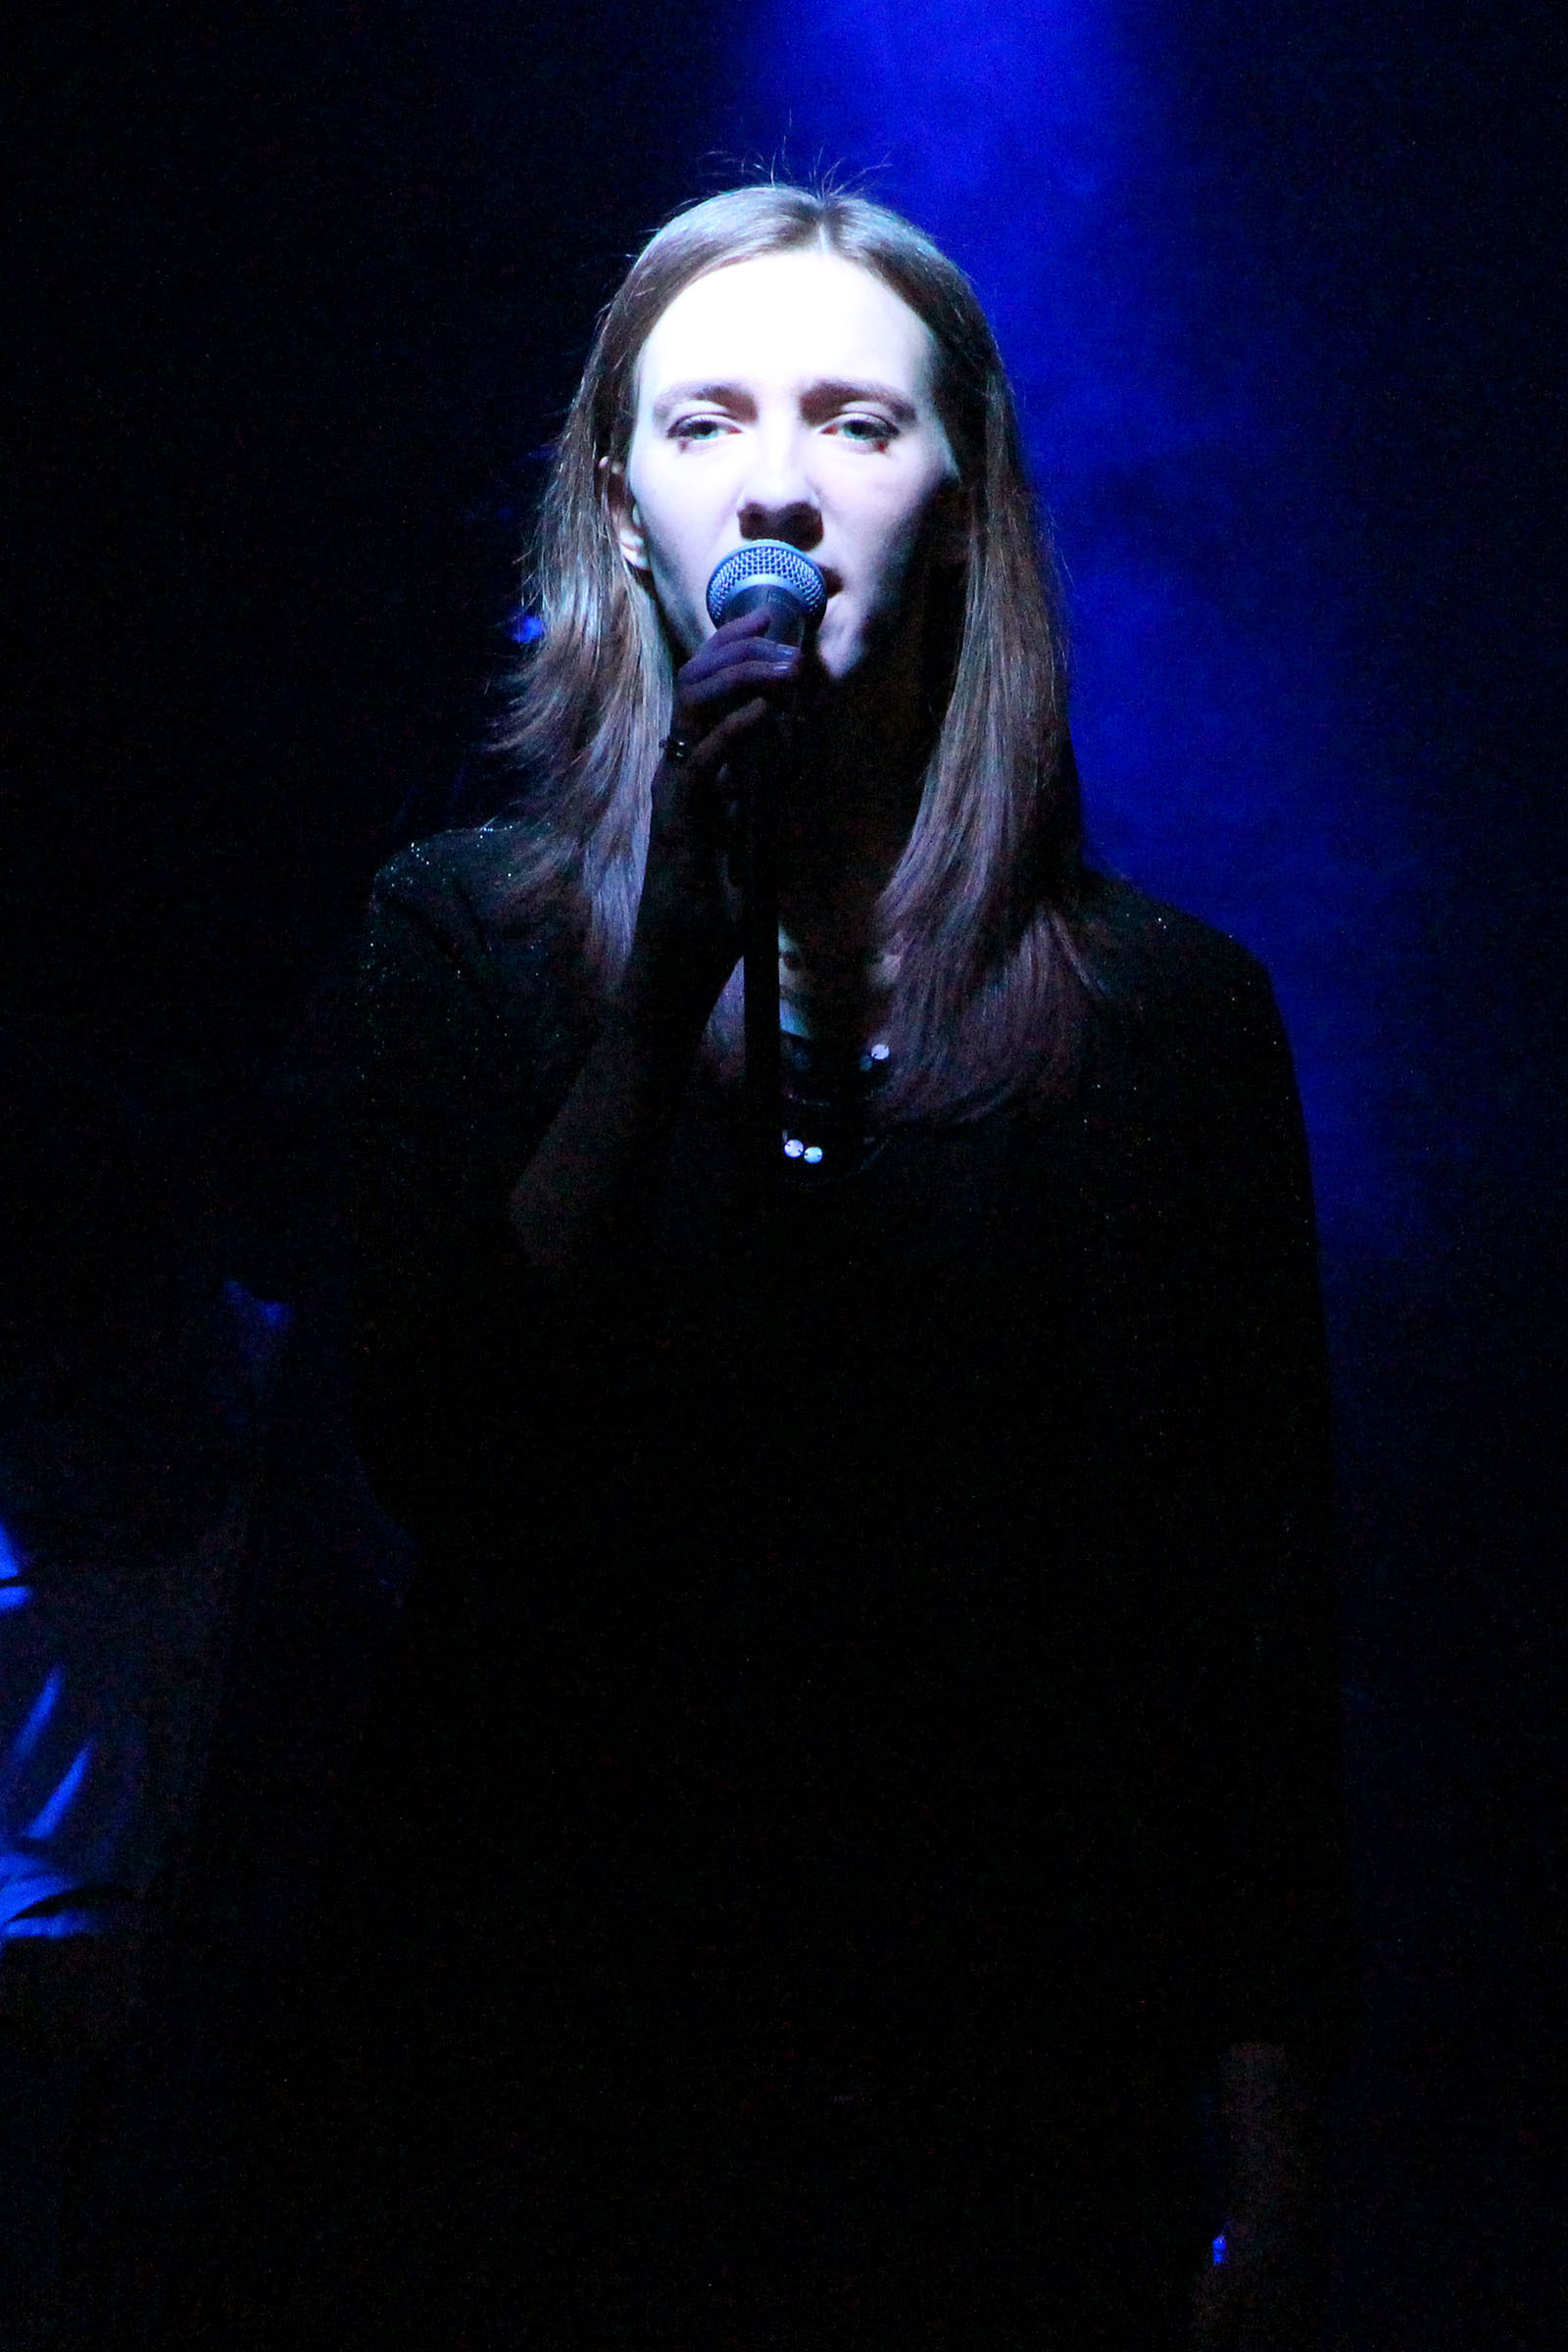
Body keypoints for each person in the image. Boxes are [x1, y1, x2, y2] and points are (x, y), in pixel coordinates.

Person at [306, 184, 1356, 2351]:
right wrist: (663, 986)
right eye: (703, 423)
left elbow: (1241, 1627)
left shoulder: (1163, 1023)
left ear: (964, 507)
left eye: (854, 424)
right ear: (622, 512)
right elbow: (431, 1445)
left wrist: (1264, 2178)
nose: (774, 483)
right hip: (552, 2075)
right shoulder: (459, 943)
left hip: (997, 2090)